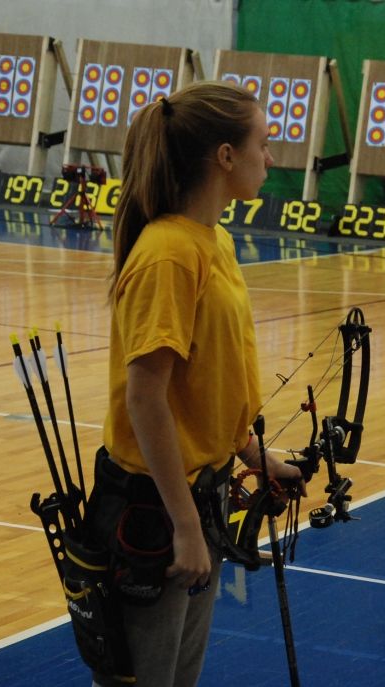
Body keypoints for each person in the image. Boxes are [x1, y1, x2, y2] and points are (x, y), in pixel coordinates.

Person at [93, 82, 301, 687]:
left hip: (196, 497)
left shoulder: (218, 242)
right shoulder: (168, 254)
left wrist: (252, 454)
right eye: (263, 144)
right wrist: (185, 526)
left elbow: (208, 380)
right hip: (153, 509)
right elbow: (146, 397)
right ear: (225, 156)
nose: (272, 157)